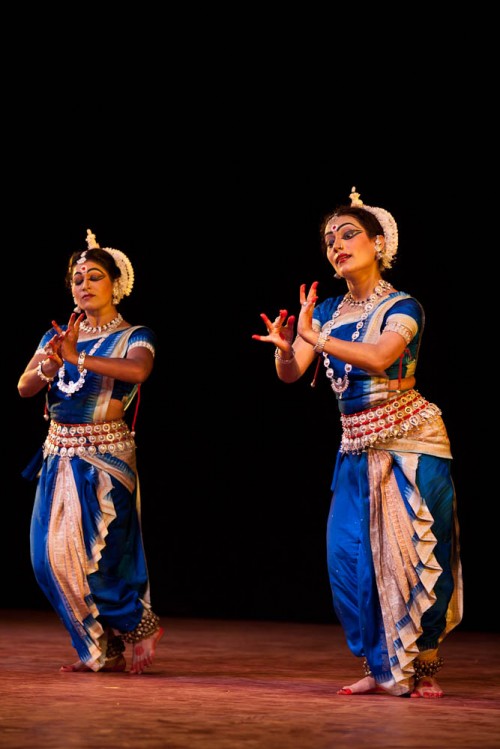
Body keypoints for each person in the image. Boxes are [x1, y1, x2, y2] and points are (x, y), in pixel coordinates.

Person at [252, 188, 463, 698]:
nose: (337, 246)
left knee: (414, 556)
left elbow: (380, 356)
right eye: (329, 240)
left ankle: (421, 663)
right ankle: (378, 663)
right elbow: (293, 373)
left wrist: (317, 337)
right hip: (355, 445)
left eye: (348, 235)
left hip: (411, 442)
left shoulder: (403, 306)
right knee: (349, 559)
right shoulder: (323, 310)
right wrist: (286, 349)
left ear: (379, 242)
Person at [18, 228, 164, 675]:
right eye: (77, 278)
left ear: (116, 284)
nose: (83, 285)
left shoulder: (136, 335)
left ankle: (137, 624)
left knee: (97, 559)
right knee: (47, 560)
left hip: (107, 457)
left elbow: (138, 371)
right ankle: (104, 644)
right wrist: (48, 365)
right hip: (58, 454)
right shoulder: (57, 337)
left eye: (94, 276)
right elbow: (24, 387)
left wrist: (78, 357)